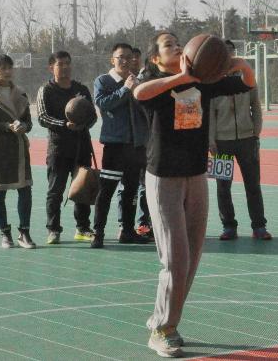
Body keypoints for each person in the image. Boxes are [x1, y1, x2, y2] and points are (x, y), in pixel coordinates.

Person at [134, 32, 256, 358]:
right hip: (164, 178)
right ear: (156, 58)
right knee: (175, 258)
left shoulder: (205, 82)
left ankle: (166, 320)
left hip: (197, 175)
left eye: (178, 42)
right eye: (168, 45)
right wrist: (181, 78)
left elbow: (247, 83)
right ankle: (162, 330)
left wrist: (236, 62)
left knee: (191, 256)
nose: (176, 46)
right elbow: (139, 93)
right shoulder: (155, 83)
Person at [209, 40, 272, 241]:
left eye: (230, 52)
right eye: (223, 52)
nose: (228, 56)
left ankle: (259, 226)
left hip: (247, 141)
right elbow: (209, 114)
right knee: (223, 187)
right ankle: (229, 226)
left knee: (253, 185)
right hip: (222, 142)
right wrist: (210, 139)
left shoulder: (247, 78)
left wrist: (256, 132)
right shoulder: (211, 81)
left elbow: (256, 106)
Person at [91, 43, 149, 249]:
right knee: (106, 191)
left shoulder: (137, 81)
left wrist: (139, 90)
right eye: (120, 57)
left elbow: (146, 110)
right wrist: (125, 89)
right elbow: (103, 103)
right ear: (112, 59)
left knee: (131, 190)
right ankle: (98, 232)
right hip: (115, 145)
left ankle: (127, 231)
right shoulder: (103, 81)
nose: (125, 61)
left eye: (129, 57)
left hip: (136, 146)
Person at [37, 51, 97, 244]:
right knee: (55, 191)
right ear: (51, 67)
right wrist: (65, 124)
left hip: (81, 146)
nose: (65, 67)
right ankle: (53, 230)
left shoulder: (81, 89)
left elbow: (93, 116)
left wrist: (83, 124)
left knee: (83, 189)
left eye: (68, 63)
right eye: (60, 64)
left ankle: (82, 228)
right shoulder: (46, 90)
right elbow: (42, 117)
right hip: (59, 149)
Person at [0, 55, 36, 249]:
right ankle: (5, 234)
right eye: (2, 68)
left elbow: (29, 122)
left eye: (10, 67)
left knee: (25, 190)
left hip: (19, 148)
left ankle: (24, 233)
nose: (7, 71)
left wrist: (24, 126)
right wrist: (6, 126)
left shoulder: (20, 92)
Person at [116, 47, 152, 238]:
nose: (134, 61)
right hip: (126, 143)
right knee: (125, 186)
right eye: (131, 58)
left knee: (146, 185)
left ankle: (144, 223)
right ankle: (123, 224)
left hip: (146, 142)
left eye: (136, 58)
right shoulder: (119, 82)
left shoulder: (146, 81)